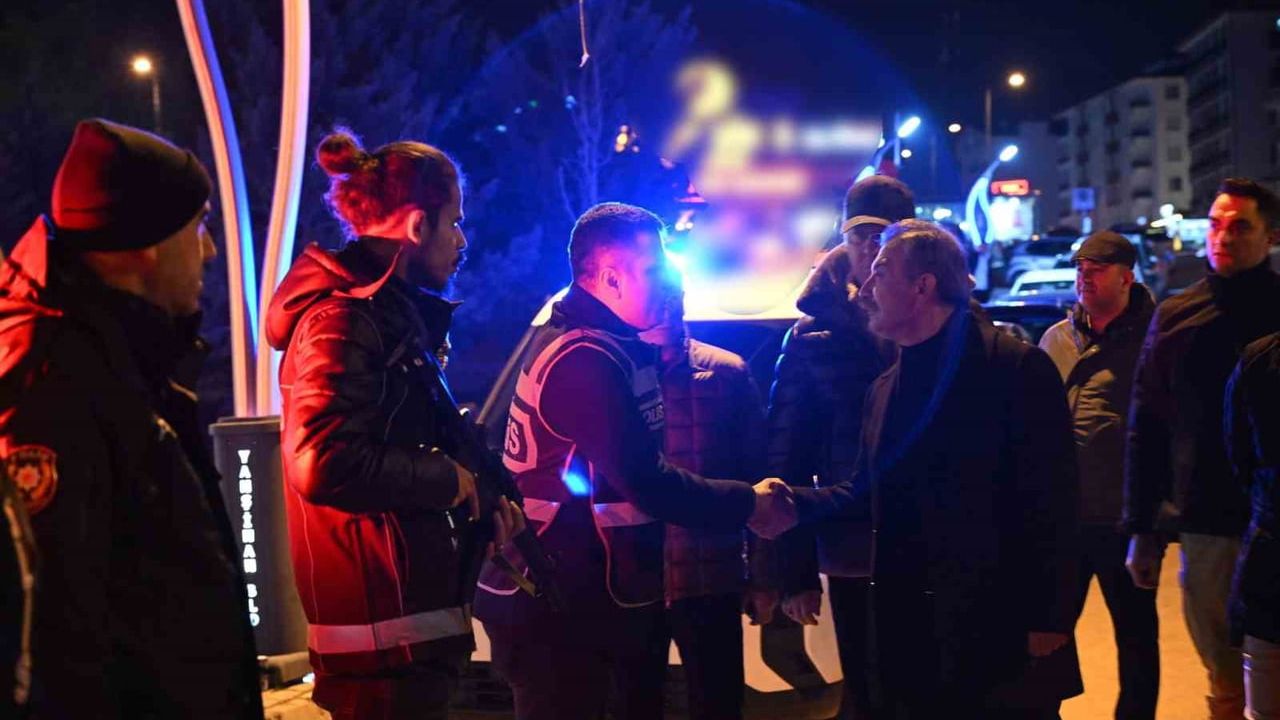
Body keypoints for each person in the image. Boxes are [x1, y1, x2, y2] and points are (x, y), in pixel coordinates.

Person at [755, 220, 1082, 718]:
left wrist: (1050, 616)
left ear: (923, 286)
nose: (864, 290)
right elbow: (864, 492)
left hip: (998, 625)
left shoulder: (1014, 369)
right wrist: (792, 505)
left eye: (880, 274)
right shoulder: (885, 387)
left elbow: (1054, 501)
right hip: (911, 625)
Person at [473, 202, 782, 720]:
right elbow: (646, 480)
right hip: (561, 606)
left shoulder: (596, 342)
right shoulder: (584, 357)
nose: (667, 282)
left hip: (578, 597)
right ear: (611, 278)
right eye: (655, 269)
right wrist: (751, 503)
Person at [0, 118, 262, 717]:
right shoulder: (53, 382)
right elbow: (58, 635)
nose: (210, 250)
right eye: (197, 228)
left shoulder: (119, 355)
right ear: (146, 244)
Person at [266, 128, 522, 720]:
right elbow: (323, 461)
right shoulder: (343, 320)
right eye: (454, 222)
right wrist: (447, 479)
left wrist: (478, 500)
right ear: (414, 226)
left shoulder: (384, 316)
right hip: (382, 643)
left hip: (404, 635)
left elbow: (394, 442)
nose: (462, 241)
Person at [1125, 177, 1280, 720]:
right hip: (1206, 521)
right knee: (1220, 667)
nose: (1224, 237)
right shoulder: (1176, 316)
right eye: (1216, 225)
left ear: (1271, 235)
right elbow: (1146, 425)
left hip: (1275, 522)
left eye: (1240, 226)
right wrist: (1142, 531)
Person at [766, 175, 910, 719]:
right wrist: (795, 571)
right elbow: (788, 458)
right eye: (859, 236)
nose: (870, 249)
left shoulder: (944, 324)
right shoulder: (812, 335)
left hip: (936, 541)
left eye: (883, 236)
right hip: (852, 543)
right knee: (865, 694)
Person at [639, 289, 775, 720]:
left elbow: (759, 478)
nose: (661, 307)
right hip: (631, 579)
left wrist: (764, 573)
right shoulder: (614, 373)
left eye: (668, 296)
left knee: (716, 704)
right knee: (630, 704)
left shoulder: (725, 373)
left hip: (709, 575)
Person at [1039, 232, 1159, 720]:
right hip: (1063, 520)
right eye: (1080, 268)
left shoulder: (1155, 339)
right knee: (1045, 631)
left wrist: (1152, 521)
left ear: (1126, 276)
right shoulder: (1056, 339)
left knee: (1135, 639)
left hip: (1122, 520)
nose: (1084, 276)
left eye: (1097, 268)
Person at [1225, 332, 1280, 720]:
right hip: (1271, 549)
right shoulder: (1259, 359)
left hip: (1271, 541)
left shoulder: (1261, 358)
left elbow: (1238, 452)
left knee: (1263, 700)